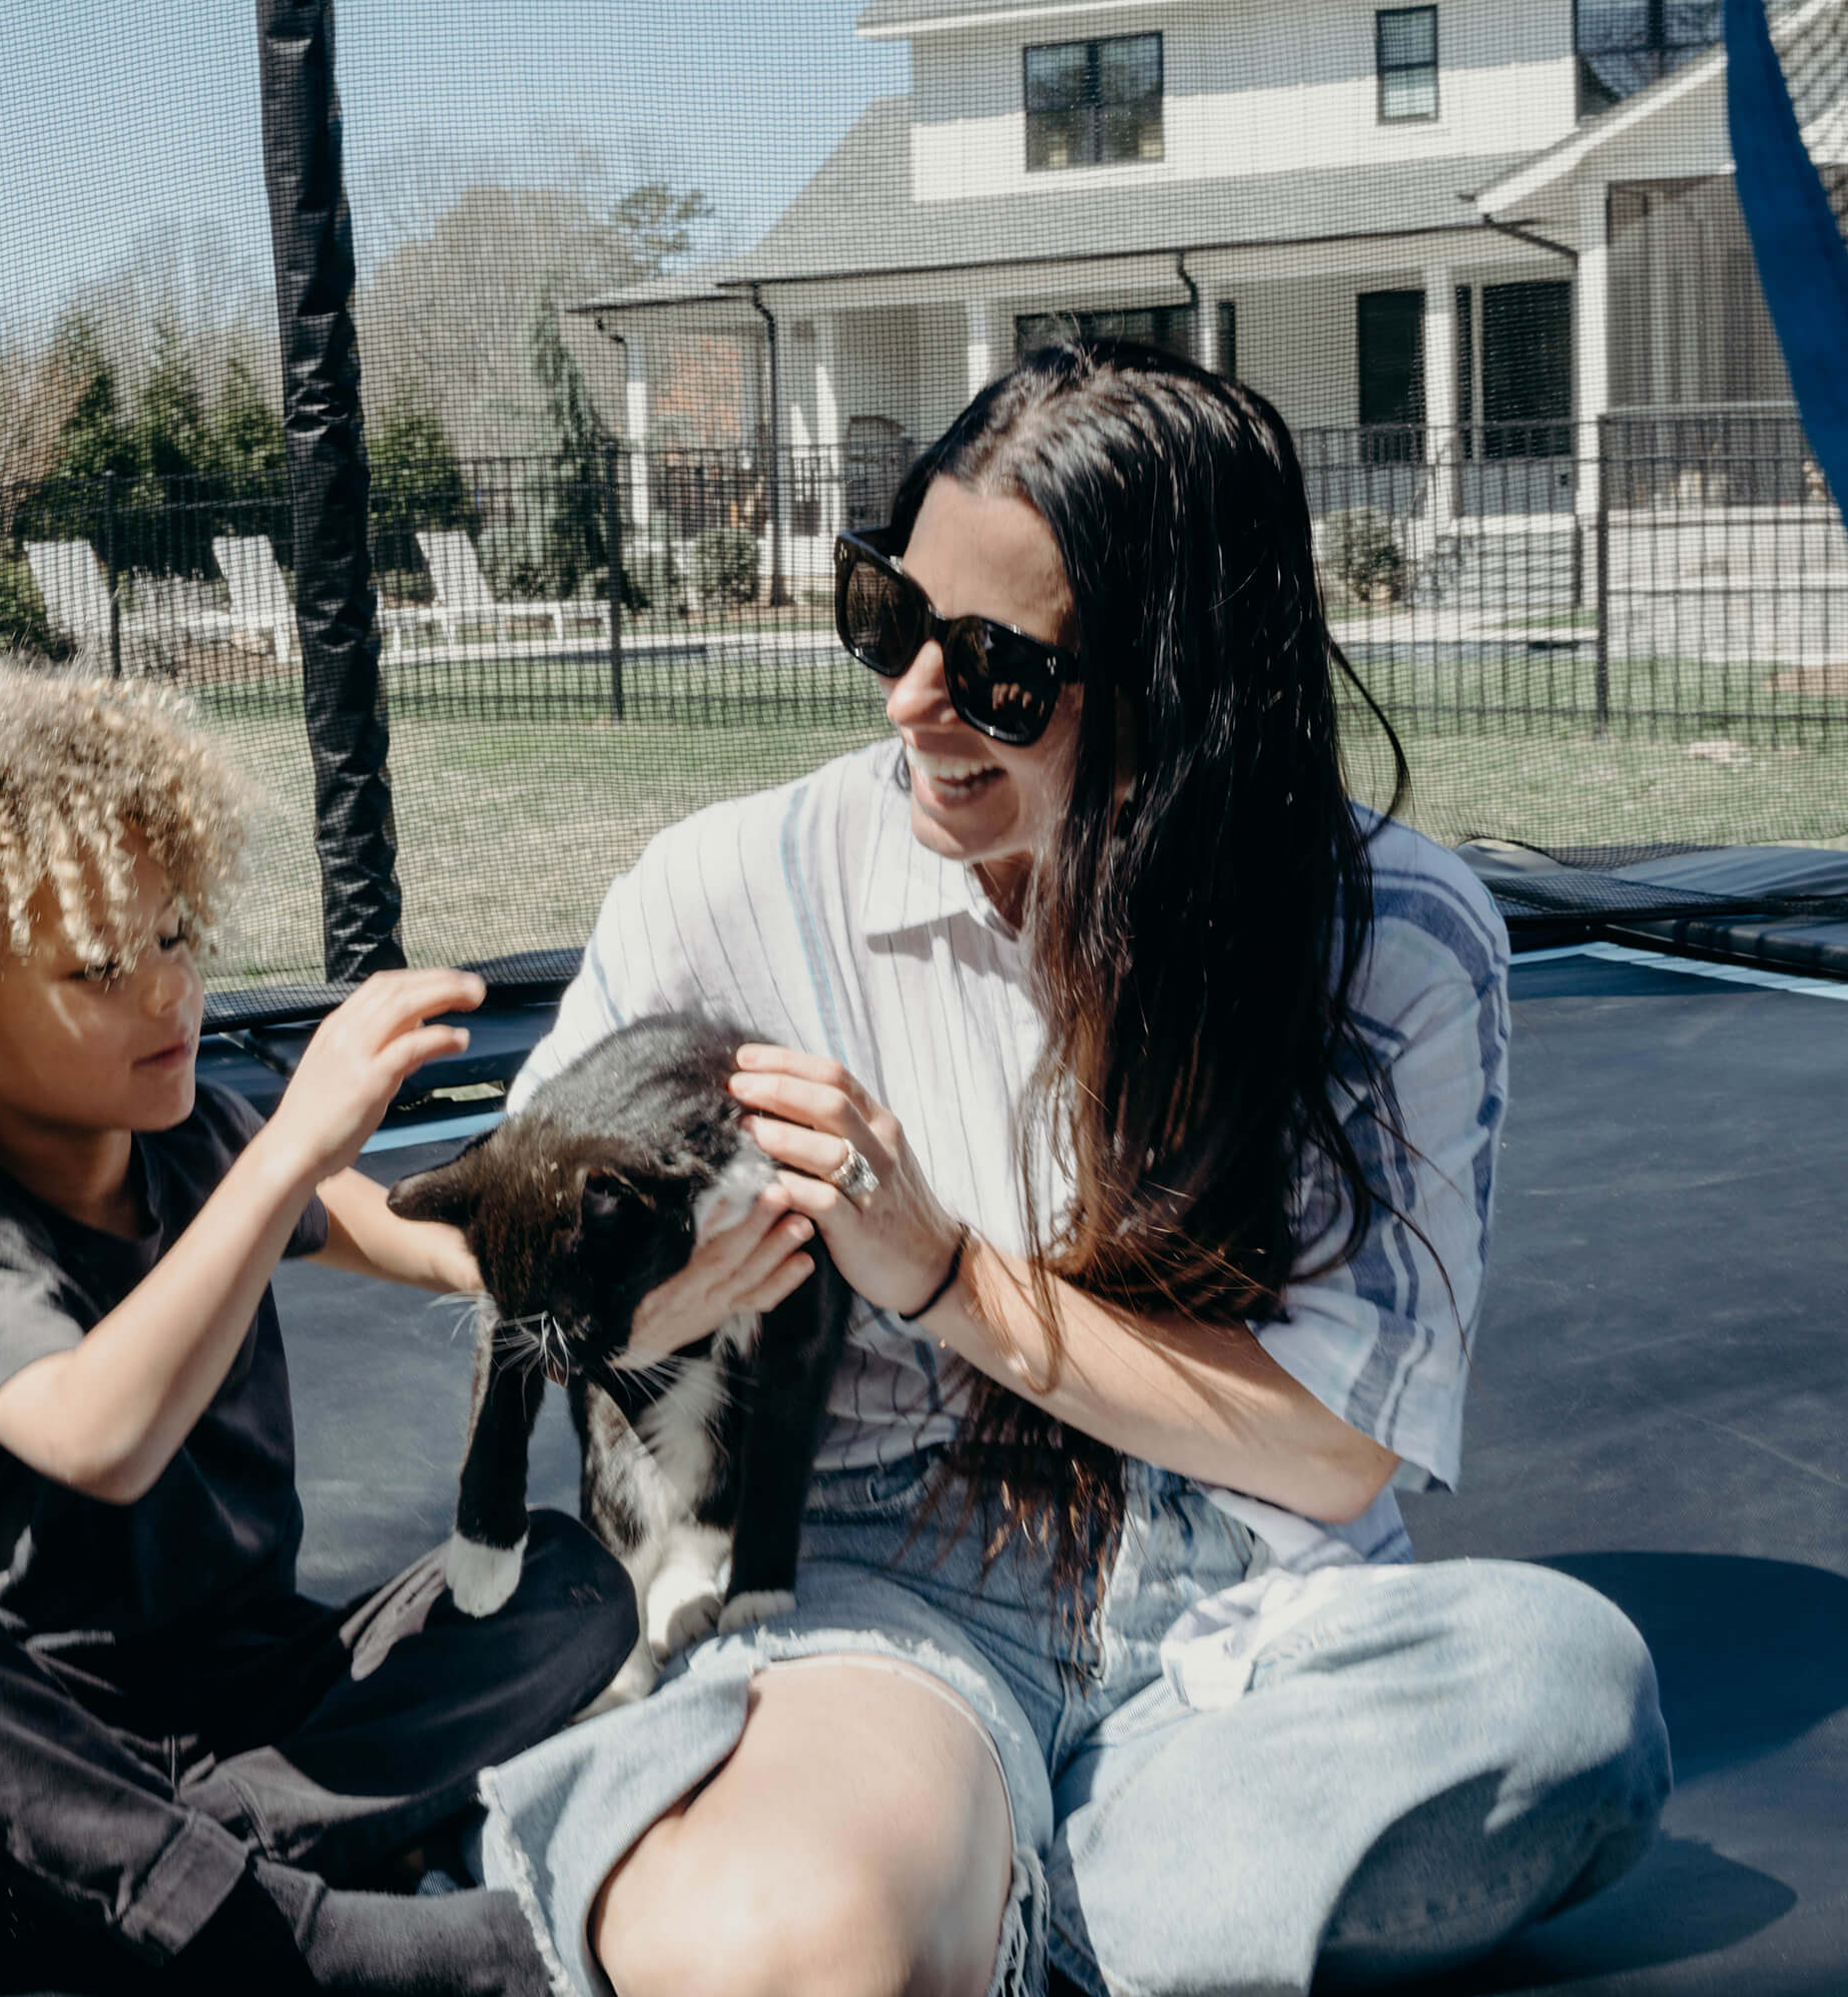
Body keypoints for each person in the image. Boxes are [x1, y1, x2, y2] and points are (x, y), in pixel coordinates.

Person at [475, 340, 1670, 1997]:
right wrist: (638, 1287)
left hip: (1246, 1605)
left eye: (996, 670)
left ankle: (992, 1890)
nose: (911, 701)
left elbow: (1329, 1458)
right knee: (779, 1952)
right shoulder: (730, 888)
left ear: (1182, 692)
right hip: (887, 1568)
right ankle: (940, 1863)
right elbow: (515, 1230)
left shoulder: (1391, 938)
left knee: (1570, 1699)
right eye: (887, 617)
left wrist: (948, 1274)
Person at [0, 668, 636, 1997]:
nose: (169, 995)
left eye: (174, 937)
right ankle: (301, 1939)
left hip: (250, 1708)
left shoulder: (200, 1135)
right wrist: (288, 1157)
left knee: (564, 1584)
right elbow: (103, 1435)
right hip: (21, 1732)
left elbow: (436, 1243)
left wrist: (602, 1240)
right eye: (99, 968)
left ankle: (67, 1901)